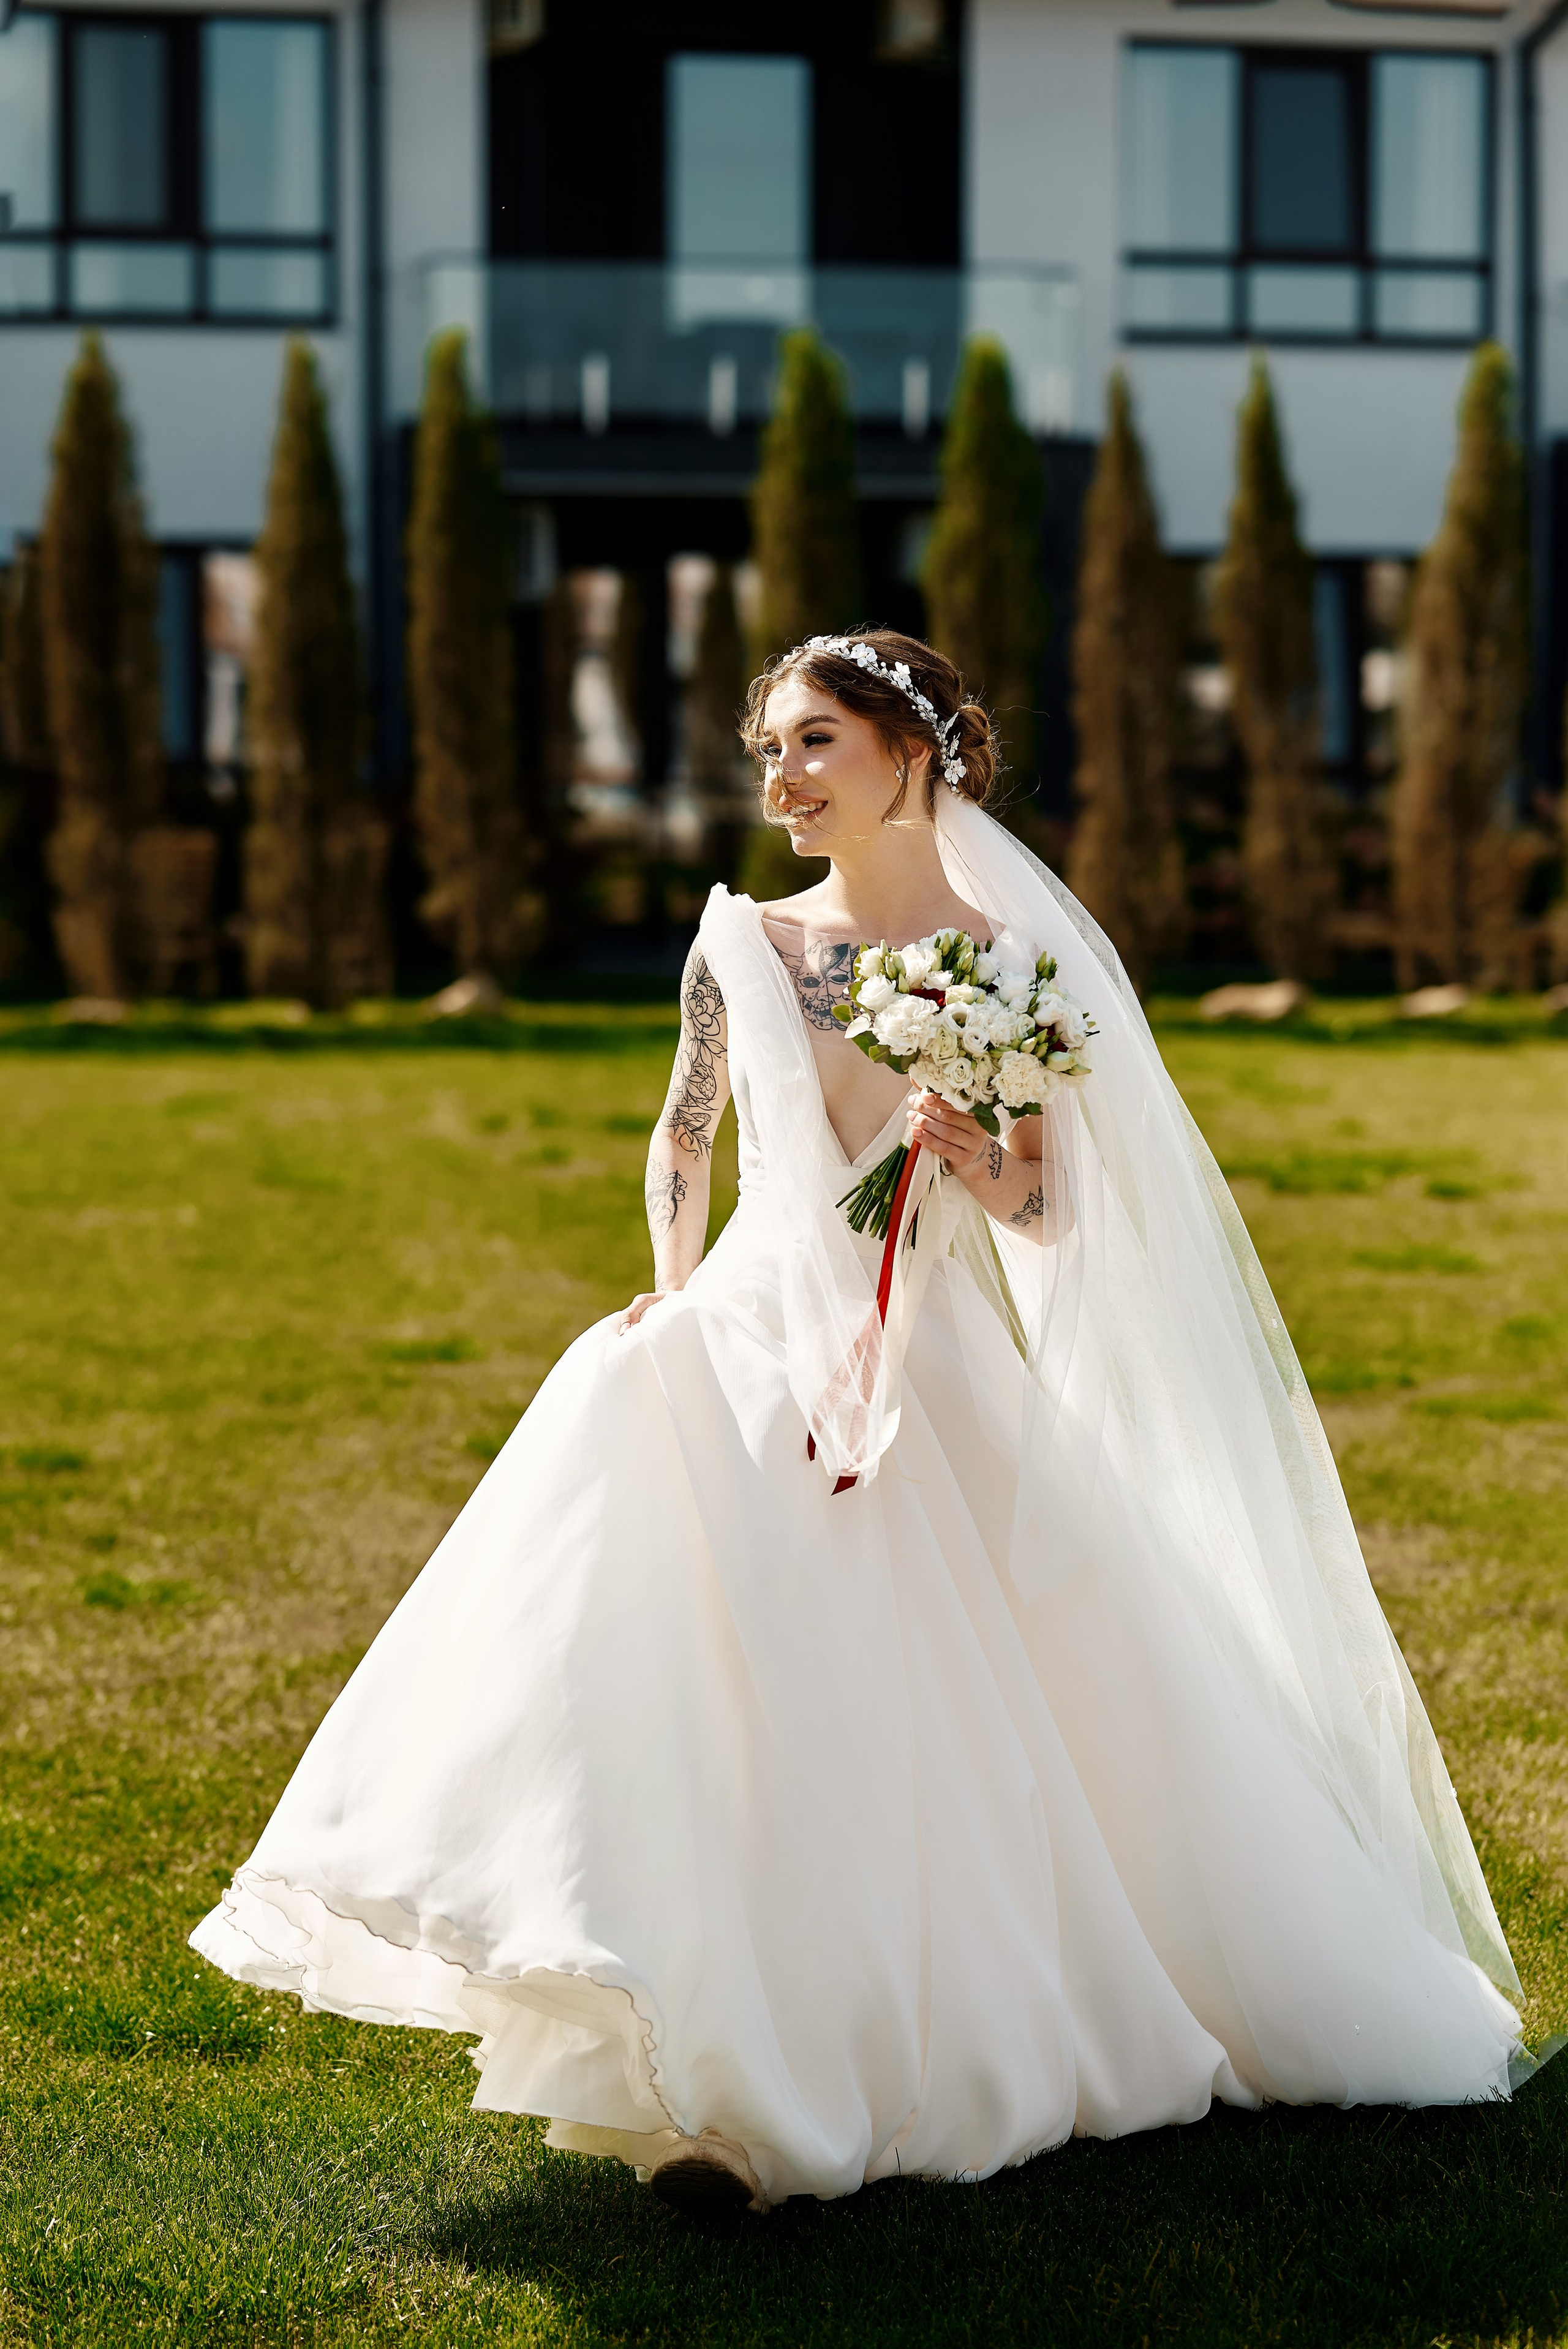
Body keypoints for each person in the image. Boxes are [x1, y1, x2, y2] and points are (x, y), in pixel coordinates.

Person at [194, 629, 1524, 2219]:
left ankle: (887, 2050)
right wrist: (667, 1288)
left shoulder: (1009, 963)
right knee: (710, 1689)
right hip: (745, 1341)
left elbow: (1044, 1213)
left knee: (920, 1722)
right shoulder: (738, 940)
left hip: (932, 1372)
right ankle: (715, 2067)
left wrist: (967, 1156)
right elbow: (681, 1136)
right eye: (768, 747)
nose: (781, 776)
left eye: (815, 741)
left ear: (917, 754)